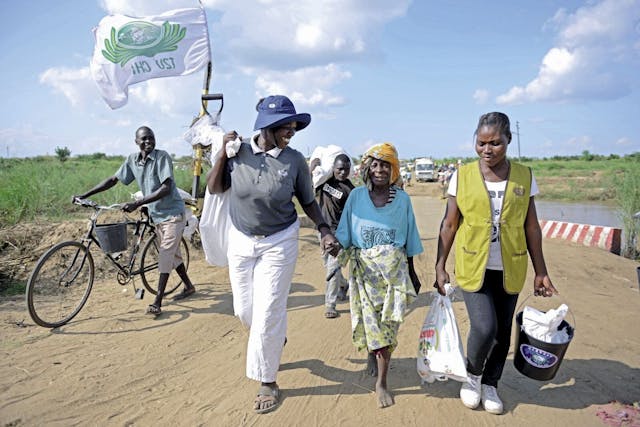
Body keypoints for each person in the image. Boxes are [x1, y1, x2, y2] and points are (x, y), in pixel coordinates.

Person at [206, 95, 339, 414]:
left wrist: (323, 229)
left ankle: (268, 381)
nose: (292, 132)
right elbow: (213, 188)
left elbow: (308, 201)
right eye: (286, 127)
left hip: (280, 240)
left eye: (294, 127)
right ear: (266, 126)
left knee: (267, 313)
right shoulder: (239, 152)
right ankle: (273, 337)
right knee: (245, 311)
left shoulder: (293, 161)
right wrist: (224, 154)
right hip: (240, 238)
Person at [433, 112, 557, 415]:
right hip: (474, 265)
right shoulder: (461, 176)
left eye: (495, 143)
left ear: (508, 141)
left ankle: (491, 383)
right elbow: (449, 224)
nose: (487, 150)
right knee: (485, 327)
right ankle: (473, 377)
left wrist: (541, 271)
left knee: (502, 330)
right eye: (481, 143)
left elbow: (531, 227)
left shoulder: (524, 176)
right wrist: (439, 265)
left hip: (510, 266)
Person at [331, 142, 423, 408]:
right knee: (374, 327)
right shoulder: (356, 198)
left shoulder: (402, 200)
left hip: (393, 277)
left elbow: (409, 238)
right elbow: (345, 236)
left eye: (385, 165)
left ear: (393, 169)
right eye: (375, 164)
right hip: (365, 275)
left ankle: (381, 376)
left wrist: (413, 273)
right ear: (367, 169)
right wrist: (333, 244)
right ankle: (377, 369)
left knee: (388, 330)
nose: (380, 169)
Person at [73, 126, 196, 316]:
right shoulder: (133, 160)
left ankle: (157, 302)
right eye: (144, 139)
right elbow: (114, 180)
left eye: (151, 138)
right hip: (156, 216)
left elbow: (166, 188)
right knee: (173, 254)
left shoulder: (162, 157)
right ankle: (188, 286)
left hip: (172, 214)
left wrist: (137, 203)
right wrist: (85, 194)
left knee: (165, 254)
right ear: (136, 142)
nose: (148, 142)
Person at [309, 153, 354, 319]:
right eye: (339, 169)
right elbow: (309, 184)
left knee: (333, 268)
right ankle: (344, 285)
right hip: (321, 231)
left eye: (346, 169)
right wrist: (313, 164)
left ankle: (330, 304)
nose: (342, 172)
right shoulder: (324, 182)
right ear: (333, 168)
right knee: (327, 265)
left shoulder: (350, 190)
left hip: (338, 235)